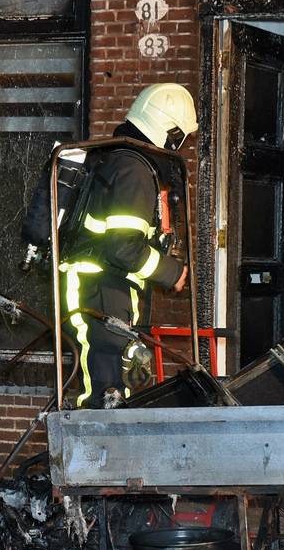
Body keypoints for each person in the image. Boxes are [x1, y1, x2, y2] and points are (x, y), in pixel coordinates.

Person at [61, 83, 198, 407]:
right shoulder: (133, 169)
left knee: (116, 388)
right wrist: (172, 271)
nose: (180, 145)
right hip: (101, 290)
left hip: (105, 287)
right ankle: (93, 457)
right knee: (105, 394)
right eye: (181, 137)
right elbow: (123, 247)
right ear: (170, 130)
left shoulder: (120, 159)